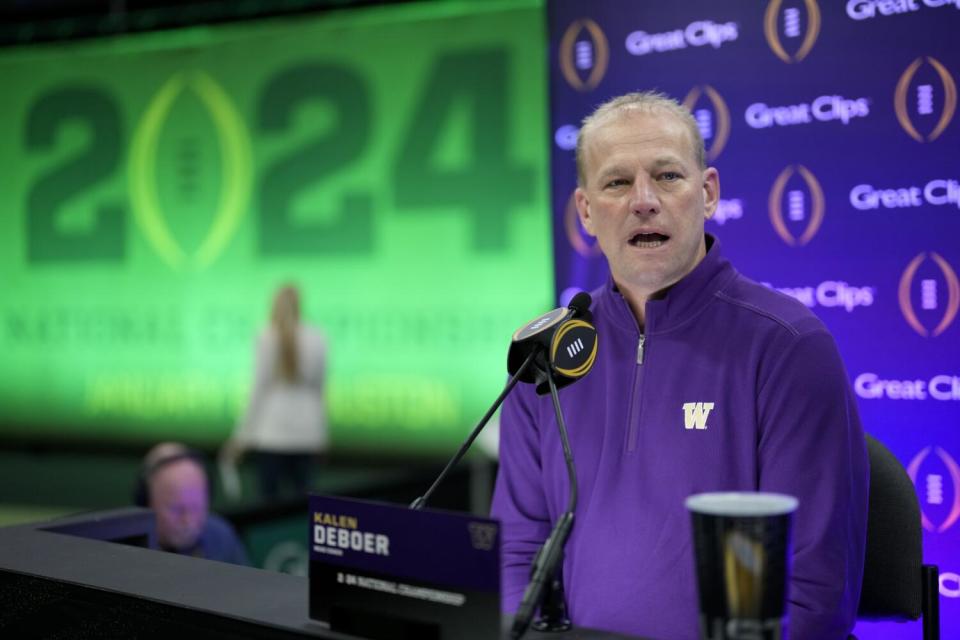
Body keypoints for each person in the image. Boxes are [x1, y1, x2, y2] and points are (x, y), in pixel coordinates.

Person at [491, 92, 869, 639]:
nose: (644, 200)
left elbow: (813, 589)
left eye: (667, 176)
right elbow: (517, 550)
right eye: (617, 182)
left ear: (708, 193)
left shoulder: (788, 346)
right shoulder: (544, 356)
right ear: (586, 212)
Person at [224, 284, 328, 500]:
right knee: (304, 510)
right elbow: (320, 390)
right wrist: (321, 435)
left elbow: (257, 390)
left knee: (268, 508)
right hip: (306, 436)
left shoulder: (265, 335)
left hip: (270, 437)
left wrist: (241, 436)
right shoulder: (317, 336)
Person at [139, 442, 249, 565]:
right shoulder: (126, 547)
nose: (187, 520)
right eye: (176, 509)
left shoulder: (221, 536)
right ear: (147, 502)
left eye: (196, 508)